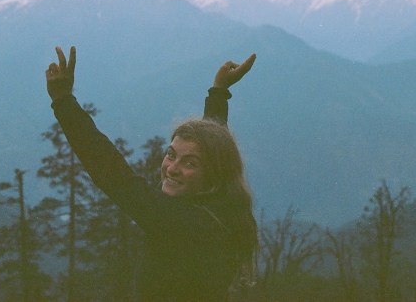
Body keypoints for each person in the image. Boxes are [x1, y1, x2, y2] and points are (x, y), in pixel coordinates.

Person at [45, 46, 258, 302]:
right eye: (171, 154)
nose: (172, 168)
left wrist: (63, 102)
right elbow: (214, 149)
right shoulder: (221, 205)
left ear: (212, 174)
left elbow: (114, 174)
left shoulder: (180, 223)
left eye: (188, 163)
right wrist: (219, 92)